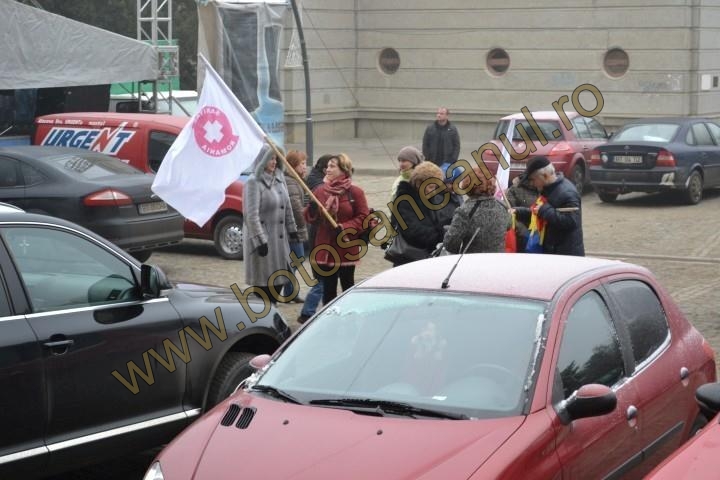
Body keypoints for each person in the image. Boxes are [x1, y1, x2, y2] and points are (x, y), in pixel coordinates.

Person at [304, 153, 369, 305]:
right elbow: (310, 218)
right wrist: (312, 210)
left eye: (332, 166)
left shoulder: (355, 192)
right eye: (327, 166)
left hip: (346, 247)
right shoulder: (320, 191)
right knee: (328, 291)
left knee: (347, 287)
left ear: (343, 169)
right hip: (325, 248)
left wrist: (345, 227)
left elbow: (363, 217)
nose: (327, 169)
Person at [242, 147, 298, 303]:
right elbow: (250, 216)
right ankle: (263, 323)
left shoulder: (279, 178)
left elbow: (287, 207)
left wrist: (292, 229)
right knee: (264, 292)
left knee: (279, 283)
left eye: (275, 158)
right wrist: (260, 240)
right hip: (263, 247)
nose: (273, 162)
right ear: (262, 160)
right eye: (270, 158)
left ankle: (272, 318)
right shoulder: (254, 183)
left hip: (279, 244)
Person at [390, 161, 458, 266]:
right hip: (408, 260)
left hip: (427, 258)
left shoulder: (431, 198)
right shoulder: (404, 201)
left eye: (436, 187)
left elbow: (439, 220)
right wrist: (442, 235)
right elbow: (412, 231)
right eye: (431, 186)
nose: (433, 191)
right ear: (418, 183)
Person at [513, 156, 585, 256]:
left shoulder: (567, 192)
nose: (532, 184)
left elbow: (571, 221)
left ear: (545, 176)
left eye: (533, 179)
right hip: (553, 250)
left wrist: (545, 210)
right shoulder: (548, 189)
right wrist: (518, 212)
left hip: (566, 255)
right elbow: (539, 214)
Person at [297, 154, 334, 324]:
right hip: (315, 234)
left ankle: (310, 310)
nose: (331, 169)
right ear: (323, 167)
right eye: (329, 166)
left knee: (322, 278)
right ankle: (307, 312)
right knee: (321, 278)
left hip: (317, 235)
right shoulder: (316, 182)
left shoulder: (316, 178)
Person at [443, 166, 510, 254]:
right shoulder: (503, 207)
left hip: (472, 262)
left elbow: (450, 244)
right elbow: (508, 226)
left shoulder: (465, 211)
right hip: (497, 261)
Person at [281, 150, 309, 302]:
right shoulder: (291, 181)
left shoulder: (296, 179)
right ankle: (288, 290)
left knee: (294, 260)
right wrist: (304, 223)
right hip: (293, 229)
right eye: (302, 164)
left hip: (294, 228)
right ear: (293, 165)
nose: (305, 167)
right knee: (297, 258)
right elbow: (295, 207)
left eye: (305, 163)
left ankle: (290, 292)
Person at [505, 173, 539, 253]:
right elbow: (509, 213)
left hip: (543, 236)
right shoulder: (515, 189)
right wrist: (524, 233)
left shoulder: (547, 188)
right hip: (522, 236)